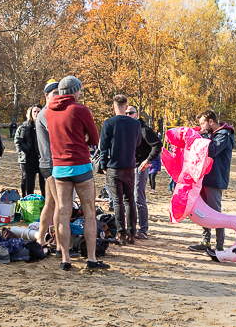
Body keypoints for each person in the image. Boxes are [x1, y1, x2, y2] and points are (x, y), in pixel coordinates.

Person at [45, 76, 107, 271]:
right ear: (74, 90)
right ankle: (91, 258)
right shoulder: (80, 110)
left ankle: (65, 259)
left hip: (59, 168)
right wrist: (83, 139)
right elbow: (95, 138)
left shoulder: (48, 112)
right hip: (81, 165)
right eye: (79, 90)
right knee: (89, 211)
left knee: (63, 212)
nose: (81, 93)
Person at [188, 109, 234, 253]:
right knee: (203, 212)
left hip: (216, 179)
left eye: (203, 123)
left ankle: (219, 245)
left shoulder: (224, 134)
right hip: (206, 178)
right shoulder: (214, 134)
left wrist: (204, 137)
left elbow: (212, 151)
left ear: (211, 122)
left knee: (215, 213)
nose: (201, 127)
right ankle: (206, 241)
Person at [98, 94, 142, 245]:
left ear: (113, 106)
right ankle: (132, 233)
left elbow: (103, 147)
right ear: (126, 106)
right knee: (130, 201)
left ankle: (121, 234)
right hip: (129, 166)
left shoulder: (108, 123)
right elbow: (138, 143)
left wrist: (103, 165)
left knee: (118, 202)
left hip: (114, 166)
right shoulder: (135, 124)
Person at [127, 106, 161, 239]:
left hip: (140, 167)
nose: (128, 115)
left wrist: (148, 160)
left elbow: (158, 145)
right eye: (126, 113)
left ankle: (143, 230)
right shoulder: (126, 130)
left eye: (131, 113)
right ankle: (131, 229)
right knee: (128, 199)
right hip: (128, 167)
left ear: (136, 114)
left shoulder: (144, 129)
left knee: (138, 198)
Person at [34, 81, 59, 247]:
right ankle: (58, 241)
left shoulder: (50, 112)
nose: (59, 96)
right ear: (47, 96)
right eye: (55, 93)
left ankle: (40, 239)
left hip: (48, 163)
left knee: (50, 203)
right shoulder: (46, 113)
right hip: (50, 163)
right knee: (60, 204)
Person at [15, 106, 44, 197]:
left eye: (38, 111)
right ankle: (28, 202)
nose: (36, 114)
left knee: (44, 184)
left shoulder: (45, 125)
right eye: (34, 112)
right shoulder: (25, 126)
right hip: (29, 158)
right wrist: (25, 150)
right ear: (31, 113)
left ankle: (45, 204)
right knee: (29, 184)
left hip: (42, 158)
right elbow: (20, 140)